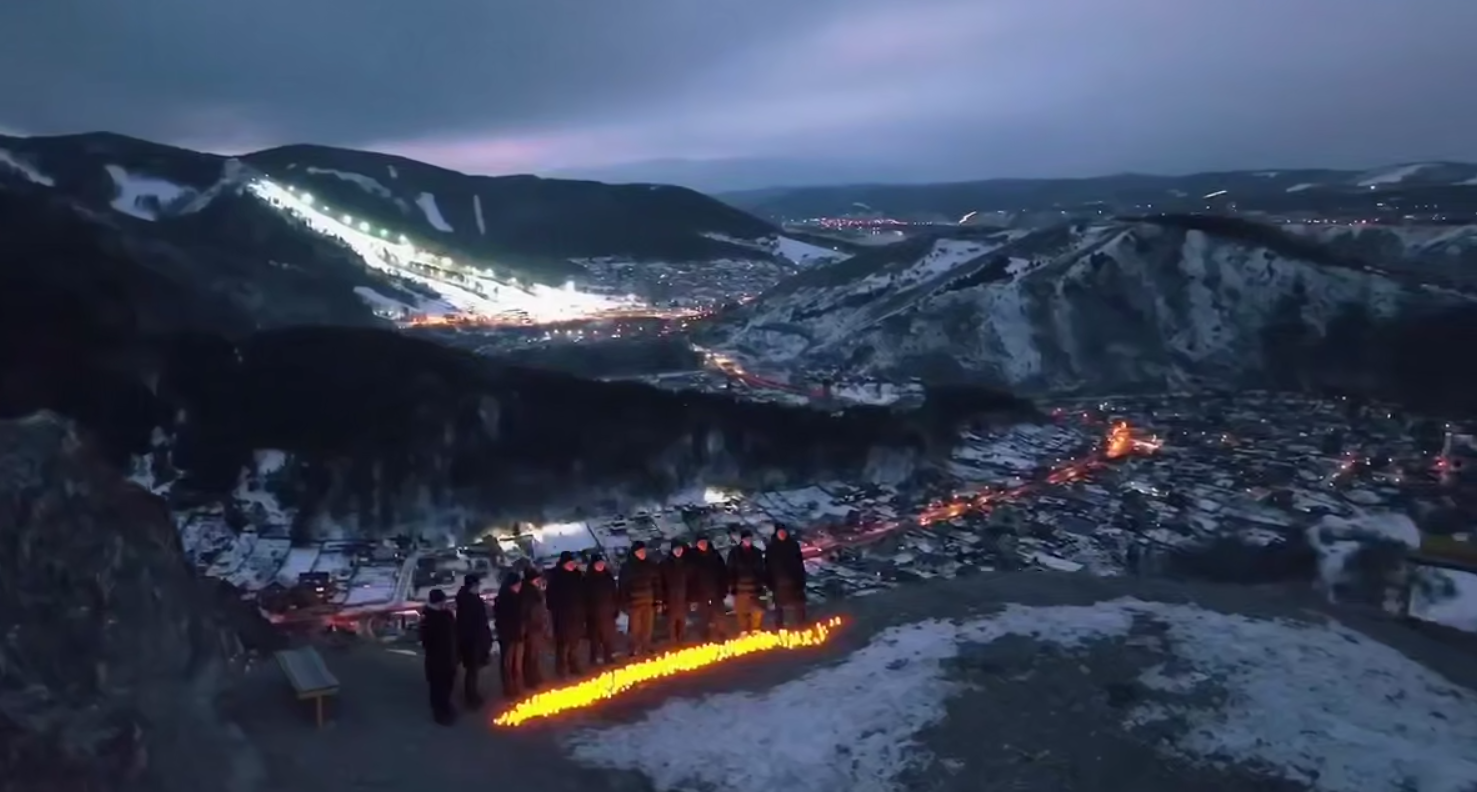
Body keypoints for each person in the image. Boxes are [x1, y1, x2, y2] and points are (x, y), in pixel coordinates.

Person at [418, 588, 458, 725]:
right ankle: (439, 713)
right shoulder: (427, 618)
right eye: (442, 602)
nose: (444, 604)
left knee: (448, 684)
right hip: (436, 660)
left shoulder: (446, 614)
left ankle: (446, 705)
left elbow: (453, 630)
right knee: (437, 687)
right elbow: (426, 641)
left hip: (449, 656)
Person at [546, 551, 588, 678]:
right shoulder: (556, 578)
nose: (572, 565)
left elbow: (583, 594)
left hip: (577, 615)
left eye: (573, 563)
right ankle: (562, 669)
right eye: (569, 563)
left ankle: (574, 665)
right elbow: (550, 599)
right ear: (563, 564)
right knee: (563, 645)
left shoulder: (577, 576)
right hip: (563, 617)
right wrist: (558, 612)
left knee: (575, 643)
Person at [454, 573, 493, 708]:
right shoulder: (468, 601)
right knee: (472, 670)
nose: (479, 587)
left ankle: (472, 694)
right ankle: (471, 697)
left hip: (475, 639)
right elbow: (469, 624)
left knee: (473, 670)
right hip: (472, 641)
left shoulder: (470, 598)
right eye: (477, 585)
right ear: (472, 585)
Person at [618, 541, 659, 657]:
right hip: (633, 603)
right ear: (634, 553)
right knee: (635, 628)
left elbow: (656, 582)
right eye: (640, 551)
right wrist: (623, 602)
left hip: (648, 600)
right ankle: (634, 648)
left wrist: (657, 599)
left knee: (647, 627)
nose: (642, 553)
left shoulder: (650, 565)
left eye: (643, 551)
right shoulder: (627, 567)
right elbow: (622, 586)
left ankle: (646, 646)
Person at [765, 524, 808, 627]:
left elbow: (799, 564)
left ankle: (802, 628)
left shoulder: (793, 545)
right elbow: (767, 566)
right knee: (779, 609)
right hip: (778, 583)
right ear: (776, 533)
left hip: (794, 582)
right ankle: (780, 630)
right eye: (780, 532)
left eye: (784, 532)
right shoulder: (771, 548)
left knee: (799, 608)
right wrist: (769, 582)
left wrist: (801, 580)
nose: (782, 534)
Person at [688, 534, 729, 640]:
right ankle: (705, 636)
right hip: (701, 593)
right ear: (696, 544)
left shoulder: (715, 555)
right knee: (703, 617)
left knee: (719, 615)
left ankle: (722, 634)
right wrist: (693, 595)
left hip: (716, 591)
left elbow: (723, 572)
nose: (703, 545)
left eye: (704, 542)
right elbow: (691, 578)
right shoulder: (692, 558)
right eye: (700, 543)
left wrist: (723, 589)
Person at [727, 530, 767, 634]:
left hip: (755, 587)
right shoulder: (734, 553)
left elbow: (761, 569)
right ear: (742, 540)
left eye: (750, 539)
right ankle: (744, 631)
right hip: (740, 587)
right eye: (746, 539)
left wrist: (762, 583)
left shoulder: (757, 552)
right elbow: (730, 570)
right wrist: (732, 585)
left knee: (757, 610)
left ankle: (756, 630)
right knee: (741, 611)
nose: (748, 541)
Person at [492, 575, 525, 699]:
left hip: (517, 636)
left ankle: (516, 687)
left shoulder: (517, 598)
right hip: (509, 637)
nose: (520, 587)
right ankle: (509, 689)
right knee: (508, 664)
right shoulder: (503, 600)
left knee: (516, 665)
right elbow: (503, 621)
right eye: (518, 585)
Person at [584, 554, 619, 665]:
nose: (601, 566)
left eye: (602, 564)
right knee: (595, 639)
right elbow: (584, 597)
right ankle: (594, 658)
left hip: (608, 612)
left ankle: (608, 657)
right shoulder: (588, 579)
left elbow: (614, 593)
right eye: (598, 564)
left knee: (608, 637)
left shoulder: (608, 577)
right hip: (594, 614)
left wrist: (616, 607)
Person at [519, 568, 550, 691]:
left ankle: (535, 677)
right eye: (537, 579)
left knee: (535, 654)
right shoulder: (527, 593)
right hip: (532, 628)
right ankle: (530, 680)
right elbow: (527, 611)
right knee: (530, 655)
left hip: (536, 627)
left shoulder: (533, 591)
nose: (539, 581)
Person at [658, 540, 693, 644]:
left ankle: (682, 639)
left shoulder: (685, 563)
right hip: (670, 598)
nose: (678, 551)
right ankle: (673, 641)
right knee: (672, 621)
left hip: (683, 597)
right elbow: (661, 583)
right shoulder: (665, 564)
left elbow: (690, 581)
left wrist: (690, 597)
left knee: (682, 620)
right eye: (676, 549)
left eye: (680, 549)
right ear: (672, 550)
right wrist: (663, 600)